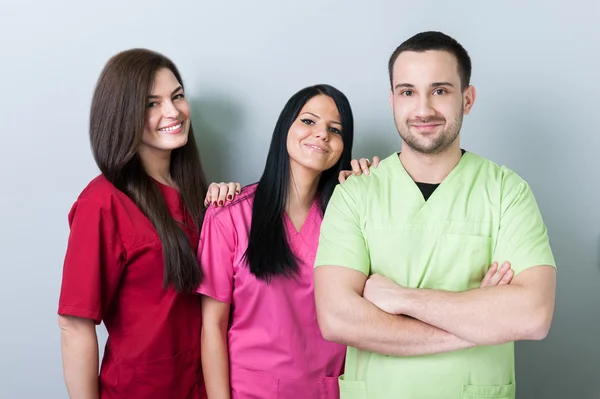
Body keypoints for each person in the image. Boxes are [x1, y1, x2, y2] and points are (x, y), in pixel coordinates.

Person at [314, 31, 557, 399]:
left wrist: (400, 298)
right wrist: (478, 323)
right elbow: (337, 319)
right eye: (408, 92)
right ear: (393, 100)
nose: (423, 109)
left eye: (440, 90)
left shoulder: (507, 191)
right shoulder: (355, 194)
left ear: (468, 98)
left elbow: (533, 315)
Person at [57, 48, 241, 399]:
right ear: (122, 114)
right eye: (151, 103)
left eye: (177, 96)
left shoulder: (199, 194)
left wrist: (229, 208)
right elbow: (74, 324)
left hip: (208, 386)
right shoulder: (102, 202)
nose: (173, 112)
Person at [198, 84, 360, 399]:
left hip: (331, 391)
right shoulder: (229, 216)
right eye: (309, 121)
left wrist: (371, 192)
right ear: (285, 127)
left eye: (335, 129)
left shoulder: (350, 218)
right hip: (251, 392)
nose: (322, 134)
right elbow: (211, 327)